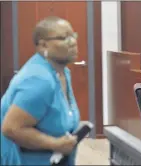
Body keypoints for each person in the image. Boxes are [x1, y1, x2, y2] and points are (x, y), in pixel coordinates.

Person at [1, 16, 81, 165]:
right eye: (64, 38)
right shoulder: (39, 80)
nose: (73, 42)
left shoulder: (63, 73)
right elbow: (11, 128)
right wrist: (55, 144)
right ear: (43, 46)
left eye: (73, 36)